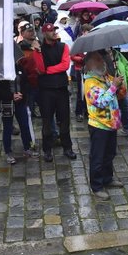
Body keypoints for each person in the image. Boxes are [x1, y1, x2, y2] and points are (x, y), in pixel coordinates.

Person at [32, 23, 76, 163]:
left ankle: (67, 147)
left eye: (55, 30)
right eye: (51, 31)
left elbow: (65, 65)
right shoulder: (39, 49)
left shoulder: (63, 46)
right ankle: (47, 150)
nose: (54, 32)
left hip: (61, 89)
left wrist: (49, 70)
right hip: (46, 91)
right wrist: (37, 52)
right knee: (46, 122)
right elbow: (39, 69)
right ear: (45, 33)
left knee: (64, 120)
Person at [83, 51, 122, 200]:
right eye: (98, 60)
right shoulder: (90, 83)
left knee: (110, 154)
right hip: (99, 125)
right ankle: (97, 186)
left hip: (111, 123)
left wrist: (118, 84)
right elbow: (100, 102)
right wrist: (113, 87)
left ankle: (108, 178)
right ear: (90, 65)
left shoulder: (104, 77)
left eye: (102, 59)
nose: (103, 62)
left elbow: (116, 91)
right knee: (97, 157)